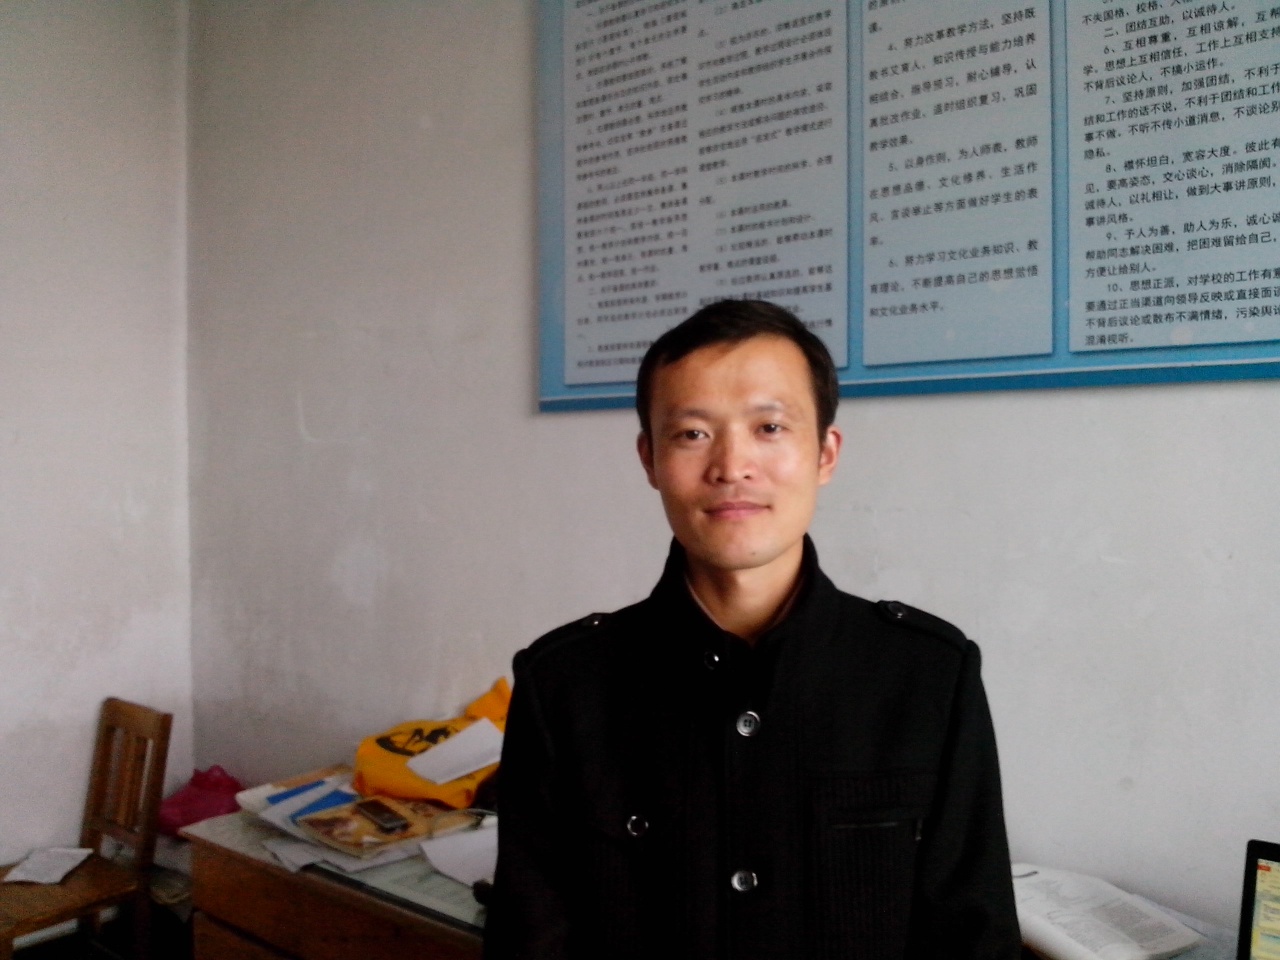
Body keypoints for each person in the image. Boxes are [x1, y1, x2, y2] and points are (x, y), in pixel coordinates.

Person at [484, 299, 1020, 960]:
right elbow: (528, 941)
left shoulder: (929, 675)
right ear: (649, 459)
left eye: (769, 427)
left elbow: (974, 939)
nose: (732, 465)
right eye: (692, 433)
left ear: (825, 453)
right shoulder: (564, 685)